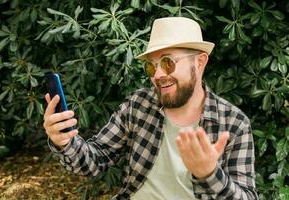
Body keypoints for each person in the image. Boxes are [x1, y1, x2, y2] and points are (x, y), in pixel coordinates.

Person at [43, 17, 258, 199]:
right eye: (151, 66)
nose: (157, 75)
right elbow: (95, 161)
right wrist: (64, 141)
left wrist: (210, 174)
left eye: (167, 63)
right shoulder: (138, 105)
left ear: (200, 62)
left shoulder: (234, 124)